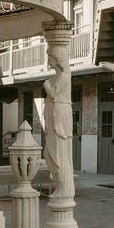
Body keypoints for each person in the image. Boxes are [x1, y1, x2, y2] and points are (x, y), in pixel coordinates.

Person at [43, 44, 74, 199]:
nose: (48, 60)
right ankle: (58, 184)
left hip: (60, 116)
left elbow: (53, 93)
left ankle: (64, 188)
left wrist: (46, 85)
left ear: (57, 59)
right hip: (52, 116)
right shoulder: (54, 77)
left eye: (50, 57)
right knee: (48, 154)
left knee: (59, 154)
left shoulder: (64, 76)